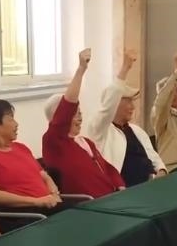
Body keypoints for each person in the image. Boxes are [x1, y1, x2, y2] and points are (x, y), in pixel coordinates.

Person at [42, 48, 125, 198]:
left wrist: (120, 185)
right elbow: (67, 106)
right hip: (87, 203)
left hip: (111, 197)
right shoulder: (52, 141)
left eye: (80, 113)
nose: (80, 118)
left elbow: (107, 168)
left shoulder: (86, 142)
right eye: (75, 114)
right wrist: (81, 69)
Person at [86, 49, 166, 187]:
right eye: (128, 101)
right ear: (116, 103)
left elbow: (153, 156)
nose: (132, 107)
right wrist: (125, 68)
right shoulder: (100, 131)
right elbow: (107, 107)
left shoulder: (136, 131)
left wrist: (162, 170)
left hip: (152, 185)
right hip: (126, 190)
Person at [0, 100, 62, 210]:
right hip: (29, 212)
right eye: (10, 119)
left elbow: (45, 177)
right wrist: (36, 201)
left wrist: (54, 194)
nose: (16, 124)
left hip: (51, 205)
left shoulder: (21, 148)